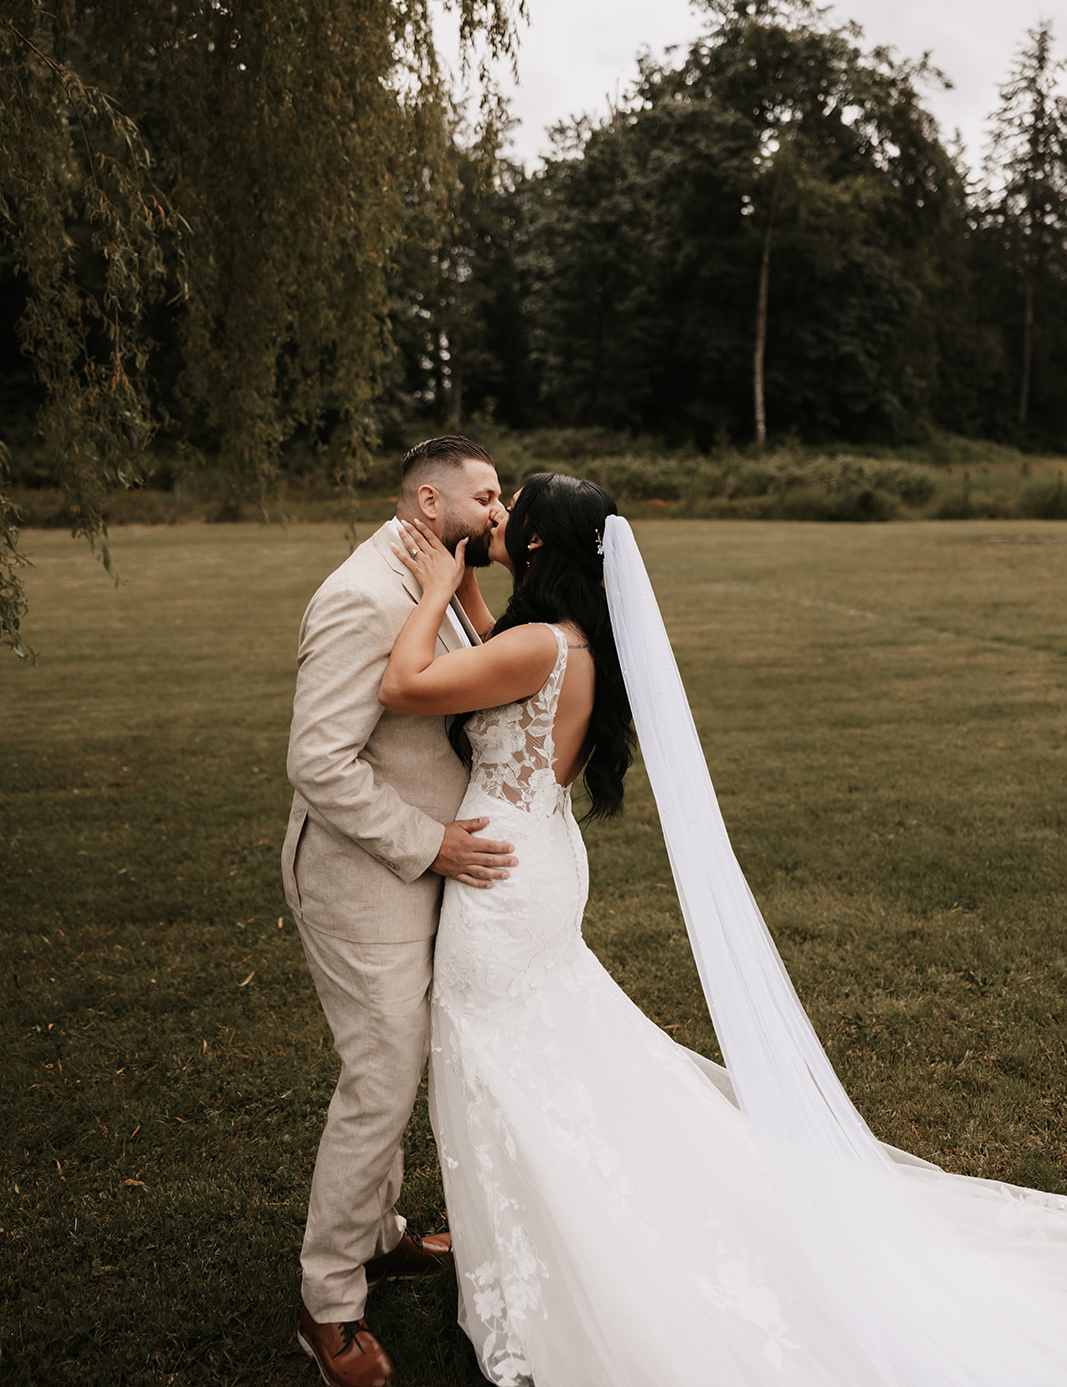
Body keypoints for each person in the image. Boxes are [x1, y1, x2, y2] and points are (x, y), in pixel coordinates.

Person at [381, 471, 1067, 1387]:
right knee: (549, 1050)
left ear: (539, 547)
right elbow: (497, 669)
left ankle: (560, 1247)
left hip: (500, 881)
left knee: (498, 1057)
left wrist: (432, 591)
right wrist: (469, 584)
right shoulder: (576, 641)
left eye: (513, 516)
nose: (494, 520)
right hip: (537, 858)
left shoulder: (540, 644)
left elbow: (406, 683)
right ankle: (528, 1230)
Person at [282, 434, 519, 1387]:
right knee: (380, 1080)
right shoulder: (360, 595)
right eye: (488, 496)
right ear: (430, 502)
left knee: (400, 1064)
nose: (500, 511)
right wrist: (431, 845)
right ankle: (326, 1300)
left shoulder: (436, 573)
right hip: (360, 880)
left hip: (416, 874)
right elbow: (318, 762)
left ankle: (377, 1236)